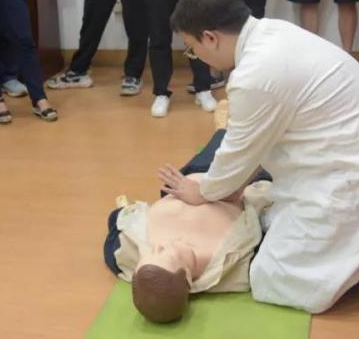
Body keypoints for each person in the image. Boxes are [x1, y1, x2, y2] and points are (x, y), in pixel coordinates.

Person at [159, 0, 359, 318]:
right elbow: (248, 150)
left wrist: (202, 191)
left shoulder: (254, 74)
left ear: (210, 38)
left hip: (352, 178)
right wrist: (225, 185)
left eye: (192, 49)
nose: (196, 58)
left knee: (272, 276)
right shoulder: (274, 32)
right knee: (267, 217)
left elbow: (236, 156)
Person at [103, 119, 273, 323]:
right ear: (187, 278)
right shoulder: (233, 264)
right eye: (163, 254)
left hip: (185, 180)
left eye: (149, 254)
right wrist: (235, 189)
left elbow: (115, 223)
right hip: (242, 181)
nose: (159, 247)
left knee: (225, 134)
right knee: (264, 138)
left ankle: (227, 124)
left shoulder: (126, 259)